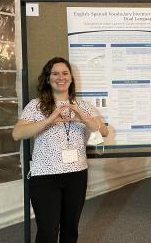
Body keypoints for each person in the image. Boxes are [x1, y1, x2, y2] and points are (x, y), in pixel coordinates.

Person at [12, 57, 108, 243]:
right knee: (47, 232)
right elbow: (17, 134)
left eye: (65, 73)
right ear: (48, 79)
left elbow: (103, 131)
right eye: (55, 73)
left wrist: (84, 119)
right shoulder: (36, 105)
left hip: (76, 175)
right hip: (45, 177)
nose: (60, 77)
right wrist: (49, 120)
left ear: (71, 78)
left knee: (70, 231)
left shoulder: (81, 106)